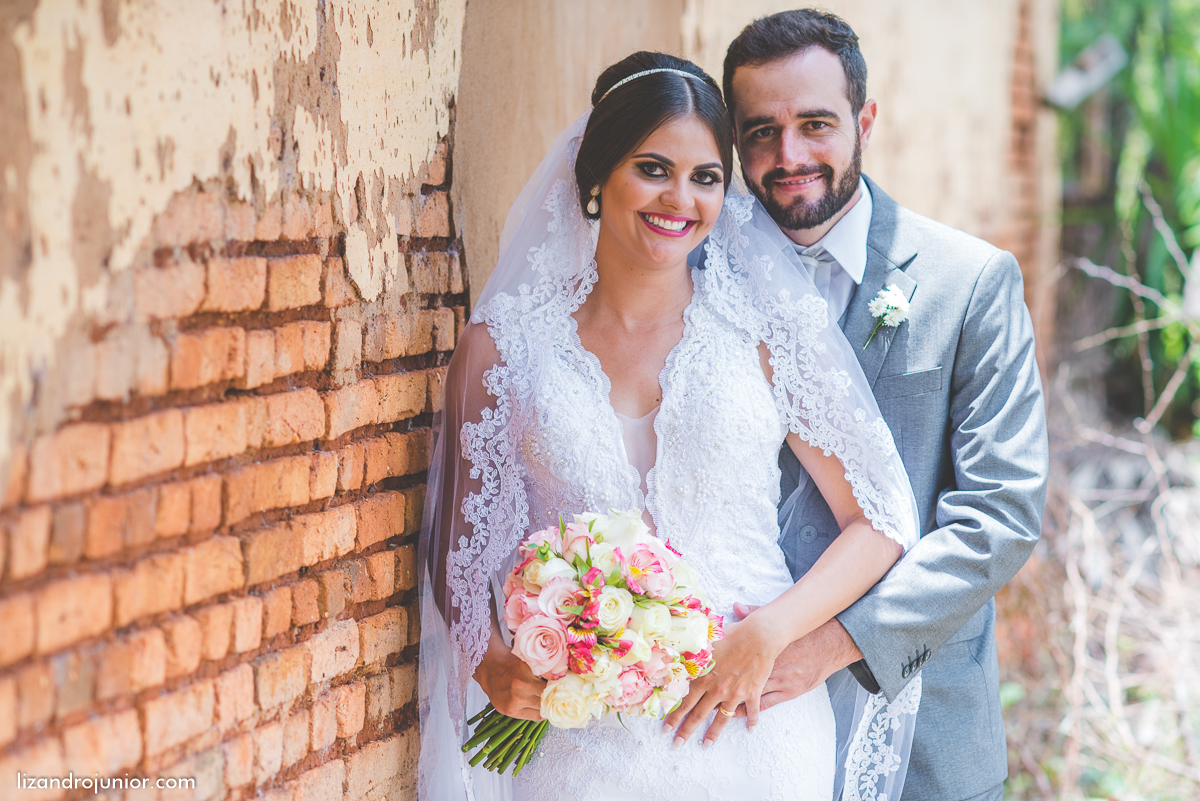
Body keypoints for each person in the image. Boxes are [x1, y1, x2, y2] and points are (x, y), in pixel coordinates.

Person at [418, 51, 928, 801]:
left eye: (706, 177)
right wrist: (490, 657)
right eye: (653, 169)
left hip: (754, 724)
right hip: (579, 739)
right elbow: (458, 545)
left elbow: (880, 519)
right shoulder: (504, 349)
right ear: (596, 175)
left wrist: (773, 631)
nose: (680, 199)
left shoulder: (764, 330)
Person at [707, 10, 1050, 801]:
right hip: (734, 726)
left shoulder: (969, 284)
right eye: (761, 132)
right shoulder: (695, 279)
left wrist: (832, 644)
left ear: (864, 122)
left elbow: (999, 514)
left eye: (815, 124)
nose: (789, 156)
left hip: (920, 725)